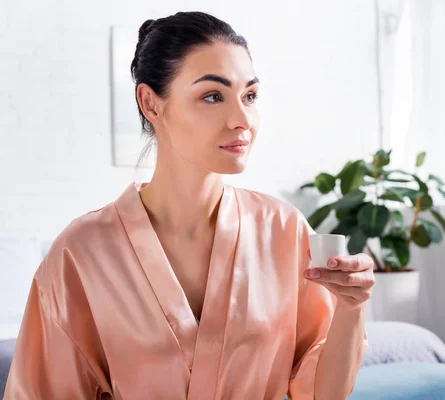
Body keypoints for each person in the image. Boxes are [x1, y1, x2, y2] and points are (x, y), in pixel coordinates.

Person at [4, 11, 374, 400]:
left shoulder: (283, 230)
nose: (242, 119)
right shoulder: (81, 253)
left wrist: (351, 309)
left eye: (249, 96)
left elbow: (320, 394)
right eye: (213, 96)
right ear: (151, 104)